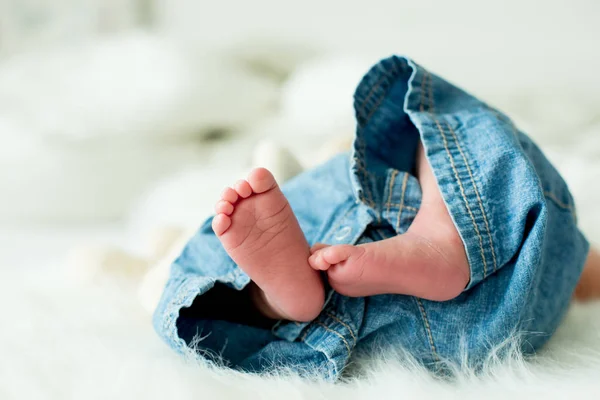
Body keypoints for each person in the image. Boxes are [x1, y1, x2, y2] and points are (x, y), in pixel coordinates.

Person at [154, 56, 596, 380]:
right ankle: (444, 230)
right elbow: (580, 270)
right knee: (443, 117)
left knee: (198, 276)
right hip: (491, 309)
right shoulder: (318, 180)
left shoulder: (311, 186)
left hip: (342, 337)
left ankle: (278, 303)